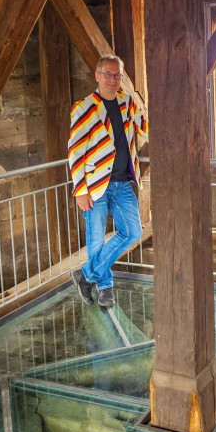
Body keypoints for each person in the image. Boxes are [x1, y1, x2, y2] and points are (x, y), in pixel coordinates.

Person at [68, 54, 148, 308]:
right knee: (95, 241)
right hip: (95, 186)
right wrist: (80, 190)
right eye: (108, 75)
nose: (113, 80)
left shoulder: (127, 103)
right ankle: (105, 288)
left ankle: (86, 275)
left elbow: (146, 129)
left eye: (117, 75)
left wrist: (140, 102)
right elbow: (75, 152)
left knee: (133, 231)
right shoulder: (84, 108)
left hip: (123, 182)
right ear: (98, 76)